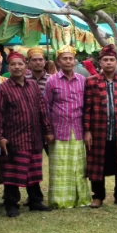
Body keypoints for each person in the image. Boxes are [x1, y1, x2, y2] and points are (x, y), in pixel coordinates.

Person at [0, 51, 52, 217]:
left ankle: (35, 201)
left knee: (34, 171)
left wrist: (47, 130)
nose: (17, 67)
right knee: (12, 173)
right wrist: (0, 137)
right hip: (14, 138)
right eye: (13, 64)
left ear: (26, 67)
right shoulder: (3, 89)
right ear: (8, 68)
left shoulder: (33, 85)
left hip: (34, 137)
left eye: (20, 64)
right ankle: (12, 204)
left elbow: (42, 109)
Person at [84, 45, 117, 208]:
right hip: (99, 131)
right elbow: (87, 108)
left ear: (116, 63)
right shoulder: (91, 81)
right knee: (97, 163)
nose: (108, 63)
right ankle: (98, 196)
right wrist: (87, 131)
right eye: (105, 60)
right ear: (100, 63)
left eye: (111, 60)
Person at [45, 45, 91, 209]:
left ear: (75, 61)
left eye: (70, 58)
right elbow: (46, 107)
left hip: (78, 129)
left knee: (78, 166)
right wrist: (48, 130)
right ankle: (60, 200)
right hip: (59, 130)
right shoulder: (52, 81)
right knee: (60, 167)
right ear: (58, 61)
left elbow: (87, 107)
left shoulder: (82, 80)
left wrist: (87, 131)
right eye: (64, 58)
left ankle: (81, 199)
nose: (68, 61)